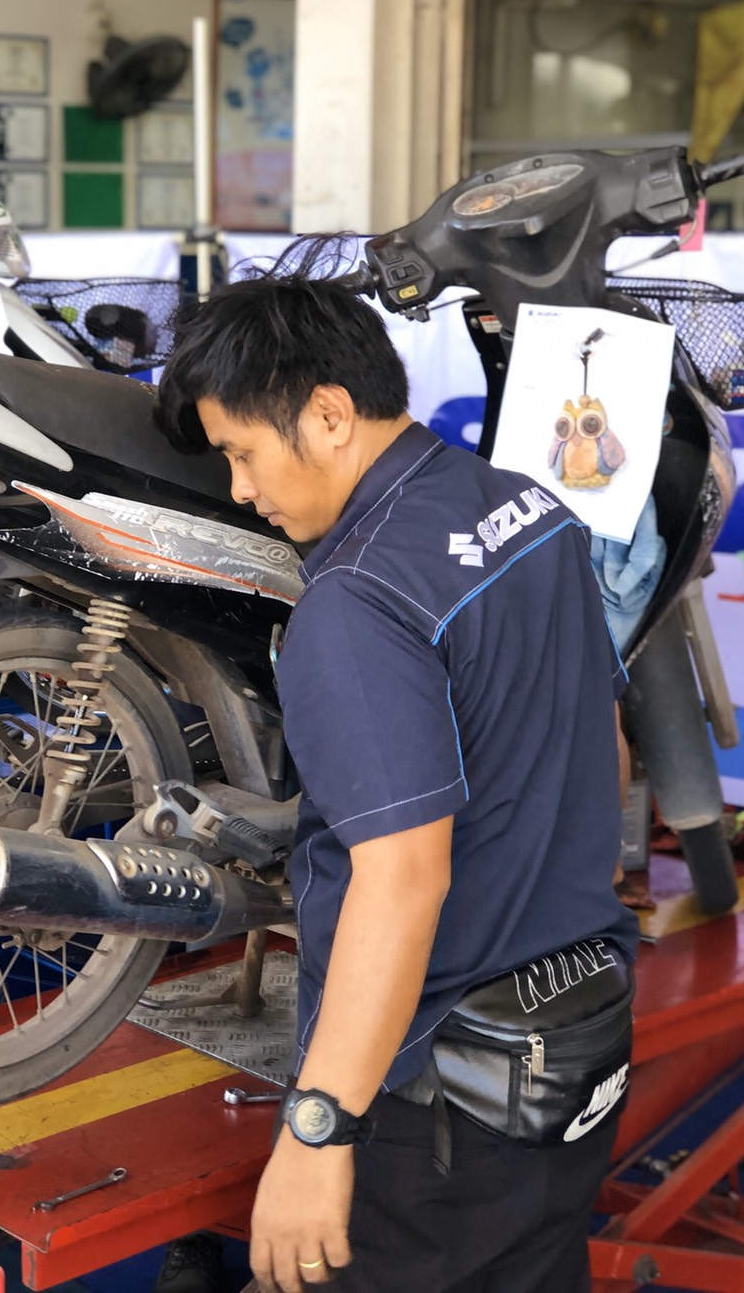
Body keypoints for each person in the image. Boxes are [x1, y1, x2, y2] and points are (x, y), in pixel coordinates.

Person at [156, 252, 638, 1293]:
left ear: (329, 414)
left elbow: (402, 876)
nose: (240, 489)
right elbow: (605, 740)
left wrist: (319, 1127)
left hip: (440, 1104)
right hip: (578, 1037)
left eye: (241, 452)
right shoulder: (528, 506)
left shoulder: (355, 601)